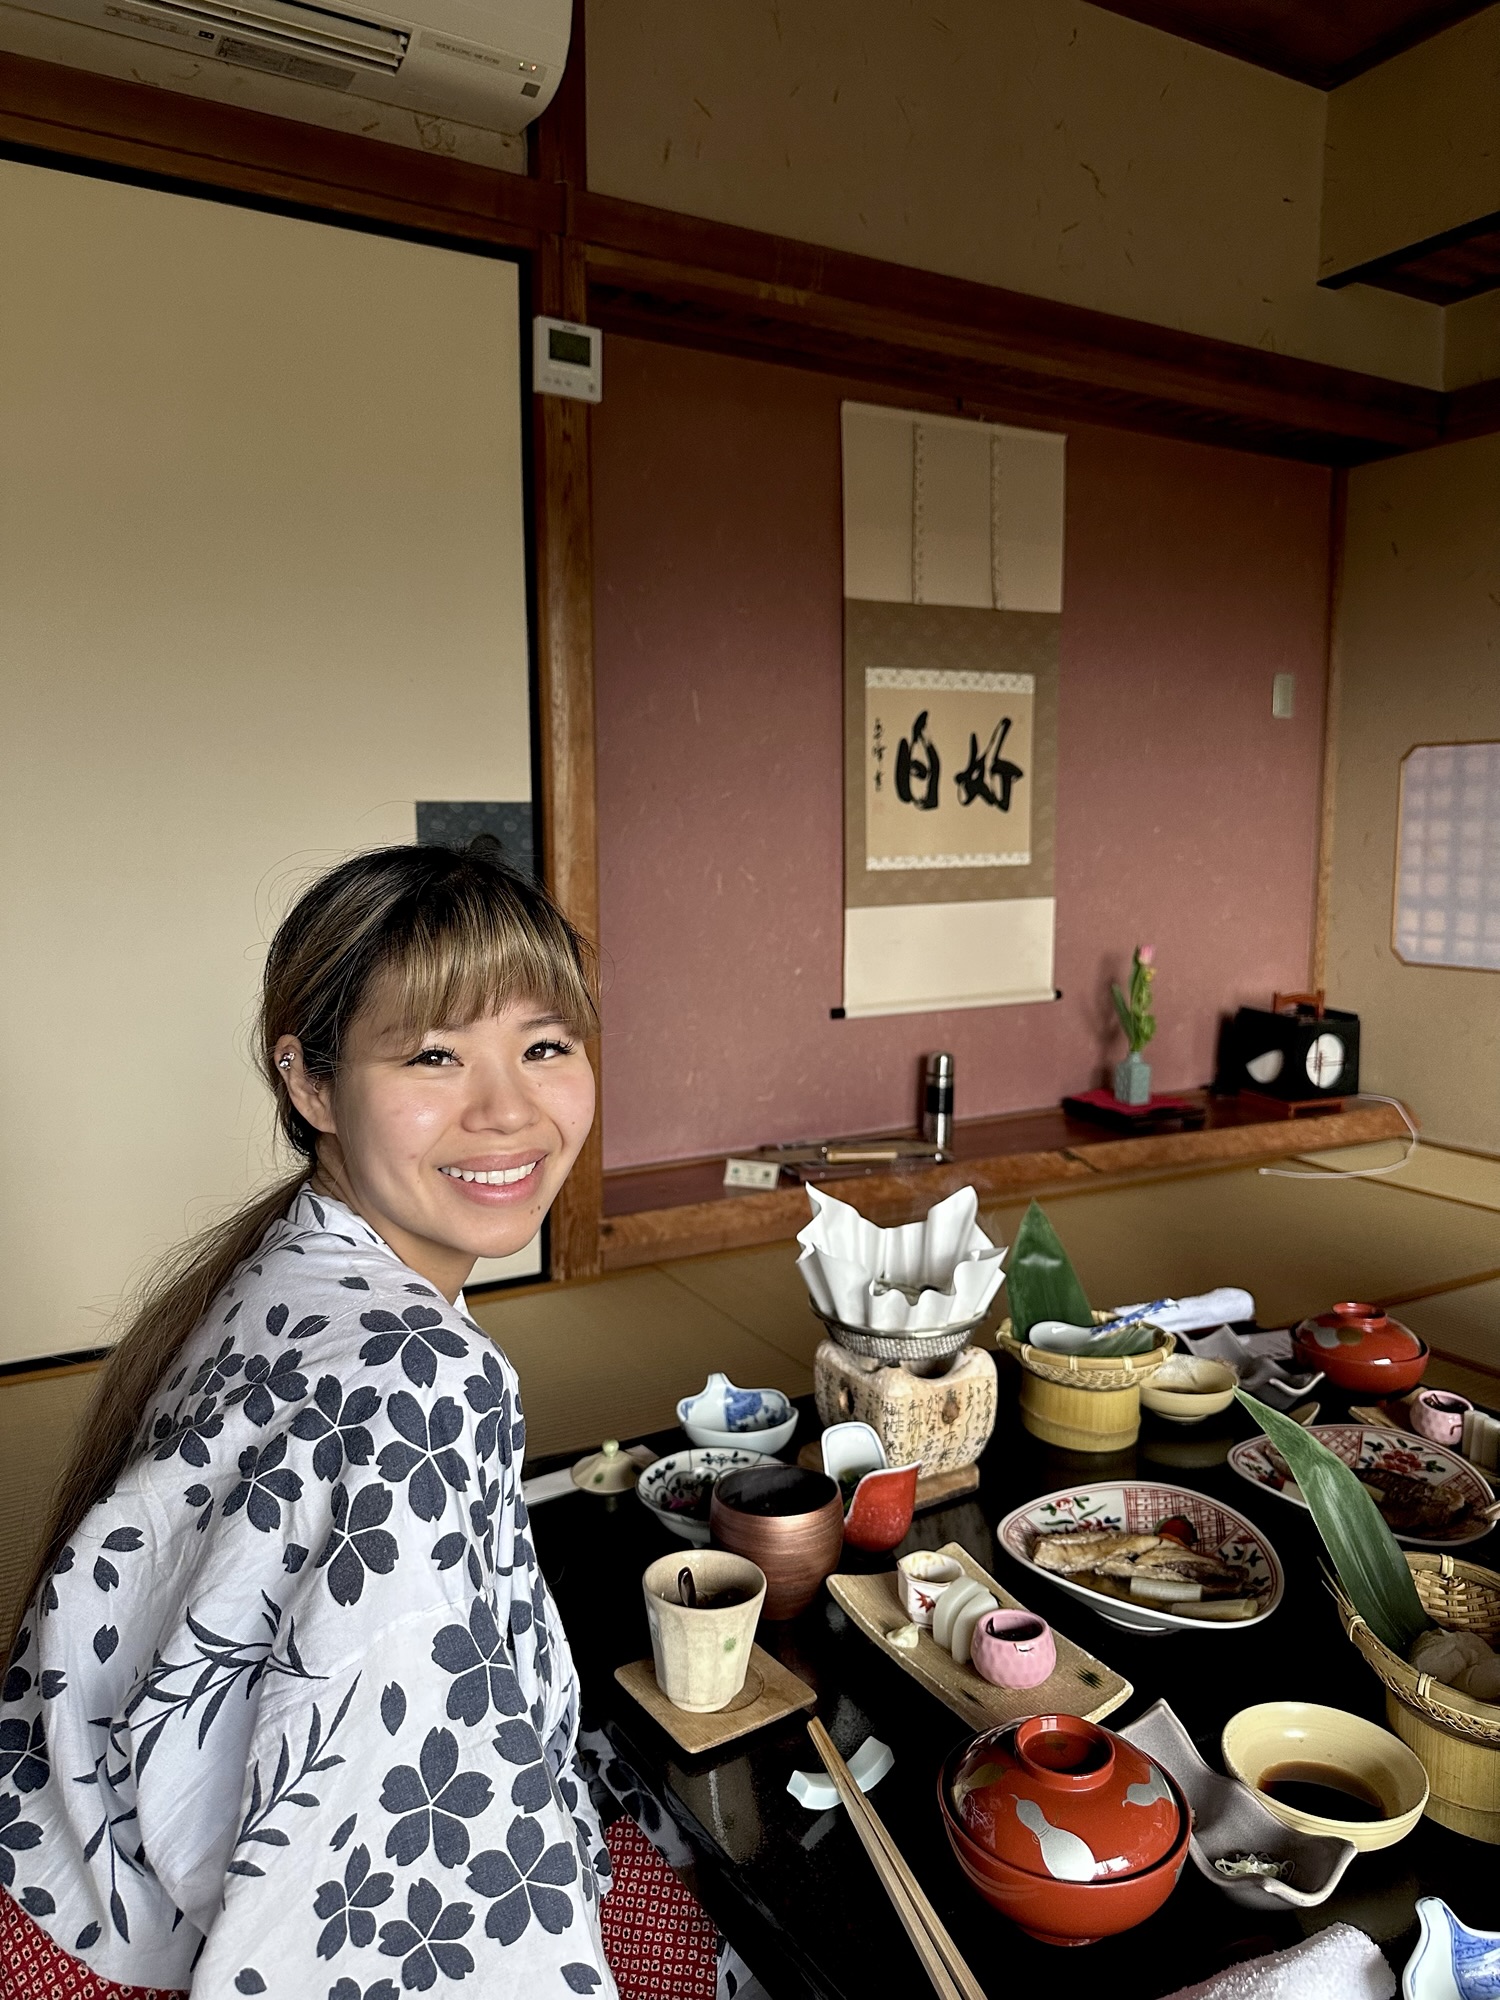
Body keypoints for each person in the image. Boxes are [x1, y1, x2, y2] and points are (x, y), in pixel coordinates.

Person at [0, 844, 622, 1997]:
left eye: (546, 1045)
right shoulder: (422, 1377)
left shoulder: (287, 1254)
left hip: (55, 1854)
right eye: (434, 1054)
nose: (510, 1110)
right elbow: (400, 1896)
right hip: (136, 1943)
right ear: (310, 1082)